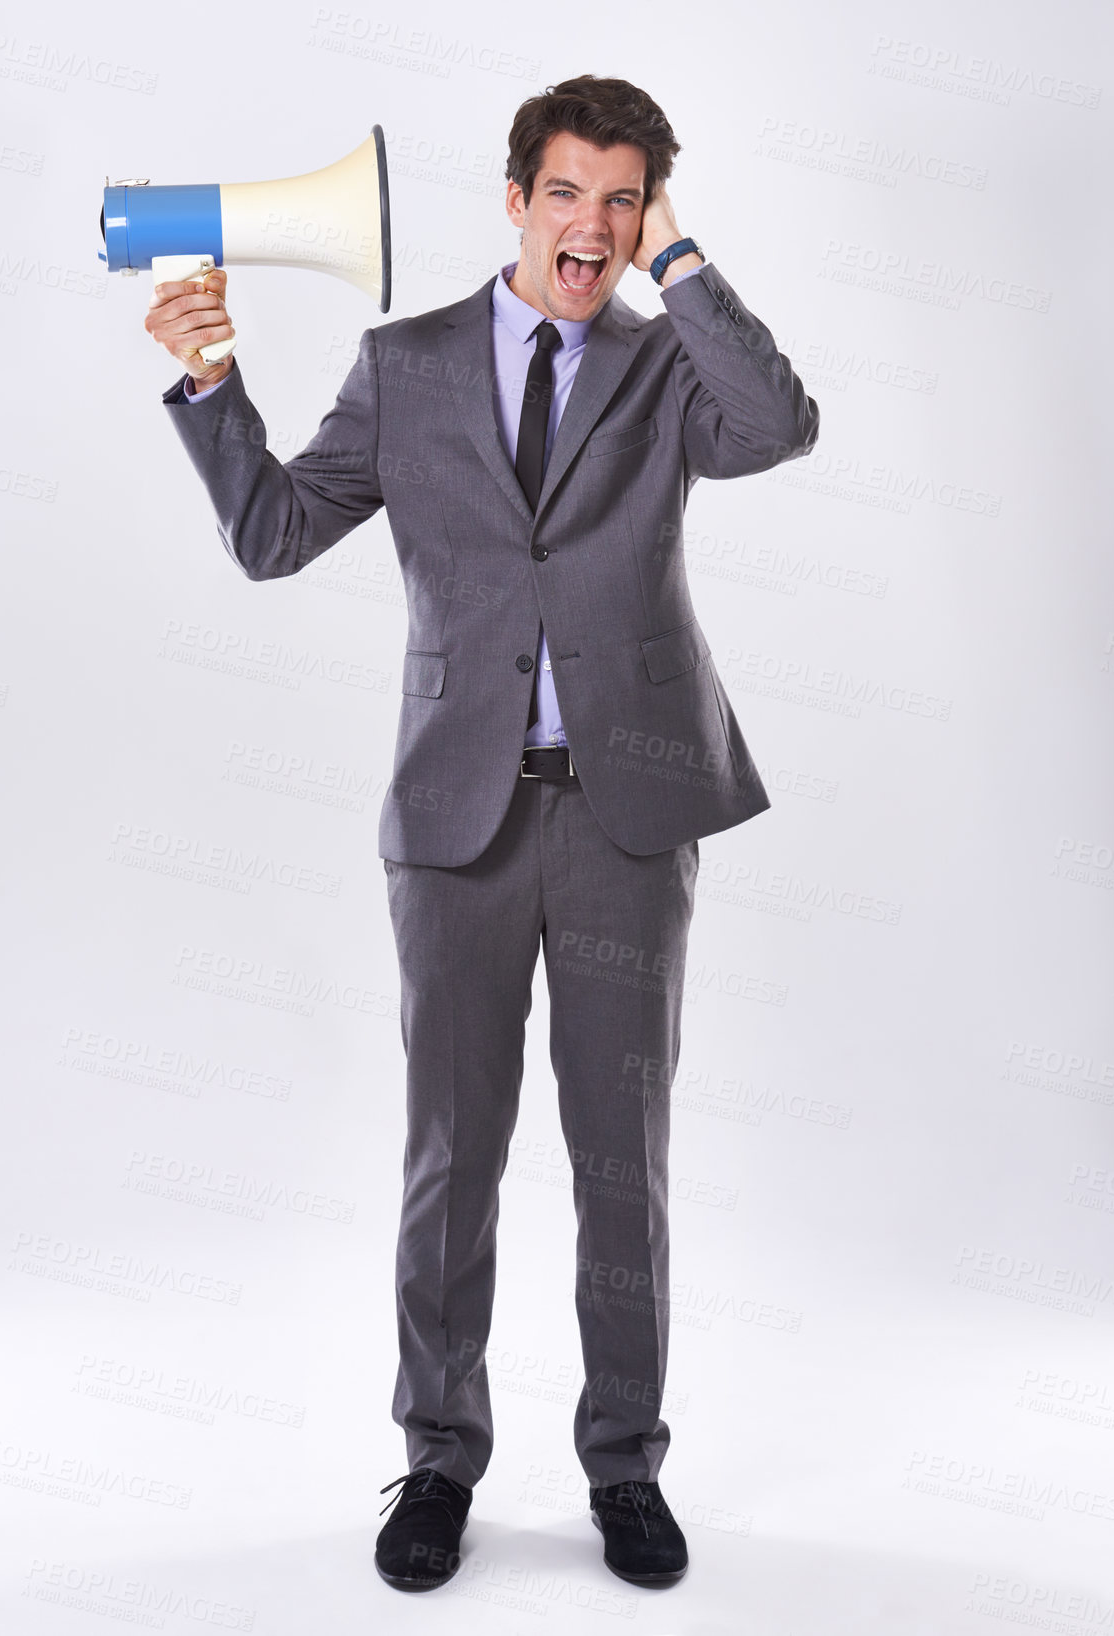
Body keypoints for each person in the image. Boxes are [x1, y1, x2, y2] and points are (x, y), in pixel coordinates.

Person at [146, 73, 819, 1594]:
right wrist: (207, 382)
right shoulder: (409, 366)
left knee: (616, 1162)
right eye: (569, 192)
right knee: (451, 1157)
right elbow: (273, 536)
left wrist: (687, 270)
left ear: (651, 216)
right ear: (515, 196)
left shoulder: (663, 372)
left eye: (625, 199)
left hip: (627, 818)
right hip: (456, 817)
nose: (593, 226)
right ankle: (440, 1457)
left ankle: (623, 1465)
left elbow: (778, 425)